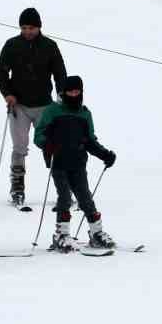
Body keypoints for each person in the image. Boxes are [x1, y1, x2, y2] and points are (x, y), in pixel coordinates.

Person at [34, 76, 117, 252]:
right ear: (63, 93)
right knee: (64, 197)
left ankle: (96, 233)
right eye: (70, 91)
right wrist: (47, 144)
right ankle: (61, 235)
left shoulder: (84, 114)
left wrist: (104, 155)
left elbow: (90, 140)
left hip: (78, 162)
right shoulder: (52, 111)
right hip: (58, 162)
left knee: (85, 197)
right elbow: (39, 135)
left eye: (77, 91)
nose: (74, 94)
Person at [0, 8, 67, 208]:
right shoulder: (12, 45)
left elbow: (60, 72)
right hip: (19, 106)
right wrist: (7, 93)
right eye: (24, 27)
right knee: (19, 147)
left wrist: (62, 95)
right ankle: (17, 188)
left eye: (31, 28)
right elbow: (1, 71)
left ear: (39, 27)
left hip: (45, 105)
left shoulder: (50, 46)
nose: (27, 31)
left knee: (52, 145)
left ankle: (64, 188)